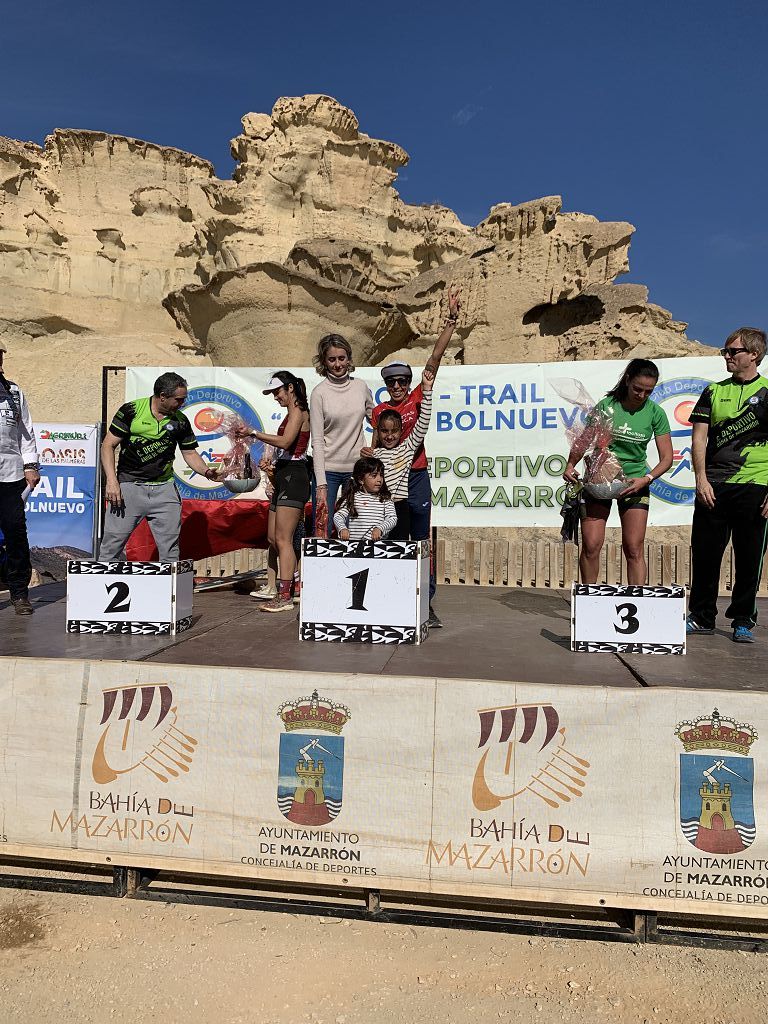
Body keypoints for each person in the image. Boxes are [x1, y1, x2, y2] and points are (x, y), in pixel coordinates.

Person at [370, 286, 461, 628]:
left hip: (417, 478)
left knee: (422, 541)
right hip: (389, 483)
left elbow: (433, 362)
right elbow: (375, 445)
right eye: (392, 381)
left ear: (409, 382)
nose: (397, 385)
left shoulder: (417, 398)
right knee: (393, 539)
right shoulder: (380, 410)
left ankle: (428, 602)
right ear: (386, 384)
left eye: (402, 380)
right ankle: (394, 597)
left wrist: (450, 323)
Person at [687, 328, 768, 643]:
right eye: (725, 351)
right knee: (706, 555)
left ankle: (743, 620)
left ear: (753, 355)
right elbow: (698, 437)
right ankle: (702, 616)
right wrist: (700, 478)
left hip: (755, 484)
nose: (727, 356)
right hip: (714, 484)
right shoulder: (713, 391)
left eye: (732, 351)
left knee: (749, 557)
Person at [563, 359, 673, 584]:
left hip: (635, 483)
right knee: (592, 545)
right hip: (599, 480)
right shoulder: (607, 406)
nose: (642, 395)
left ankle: (637, 601)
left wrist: (646, 479)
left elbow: (667, 459)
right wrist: (570, 464)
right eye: (637, 389)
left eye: (648, 391)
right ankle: (589, 598)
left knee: (633, 548)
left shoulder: (656, 413)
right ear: (627, 380)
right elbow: (584, 439)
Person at [100, 372, 217, 562]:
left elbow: (190, 453)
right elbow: (108, 445)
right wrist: (112, 482)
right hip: (128, 488)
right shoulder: (131, 411)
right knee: (111, 546)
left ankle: (169, 591)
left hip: (164, 491)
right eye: (179, 399)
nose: (182, 404)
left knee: (170, 551)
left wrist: (207, 472)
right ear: (162, 396)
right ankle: (102, 589)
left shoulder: (180, 420)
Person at [236, 372, 311, 613]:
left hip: (295, 475)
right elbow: (283, 447)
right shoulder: (292, 412)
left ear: (290, 388)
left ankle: (286, 594)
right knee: (272, 538)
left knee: (283, 540)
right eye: (272, 393)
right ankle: (289, 586)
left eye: (277, 392)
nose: (275, 397)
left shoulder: (299, 411)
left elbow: (286, 441)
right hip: (284, 474)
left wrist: (254, 433)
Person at [310, 334, 374, 535]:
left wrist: (374, 448)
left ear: (349, 359)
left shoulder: (361, 387)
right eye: (332, 359)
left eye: (341, 358)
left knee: (356, 527)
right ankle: (321, 567)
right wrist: (321, 483)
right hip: (327, 470)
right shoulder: (319, 393)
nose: (338, 364)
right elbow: (317, 441)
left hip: (357, 470)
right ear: (324, 362)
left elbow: (378, 422)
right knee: (323, 528)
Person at [370, 367, 434, 539]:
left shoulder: (407, 448)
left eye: (394, 431)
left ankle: (423, 566)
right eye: (384, 431)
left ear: (401, 431)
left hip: (405, 499)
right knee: (392, 546)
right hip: (386, 508)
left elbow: (423, 422)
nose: (389, 436)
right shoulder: (375, 455)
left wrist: (427, 390)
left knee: (418, 536)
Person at [0, 338, 40, 615]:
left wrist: (31, 465)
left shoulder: (13, 392)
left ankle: (19, 593)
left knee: (15, 532)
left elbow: (26, 432)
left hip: (10, 473)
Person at [333, 458, 397, 542]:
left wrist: (380, 529)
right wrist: (342, 528)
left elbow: (392, 518)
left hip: (377, 547)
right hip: (355, 546)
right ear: (361, 479)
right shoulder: (352, 497)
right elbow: (338, 516)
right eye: (374, 476)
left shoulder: (385, 498)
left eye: (381, 475)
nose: (379, 479)